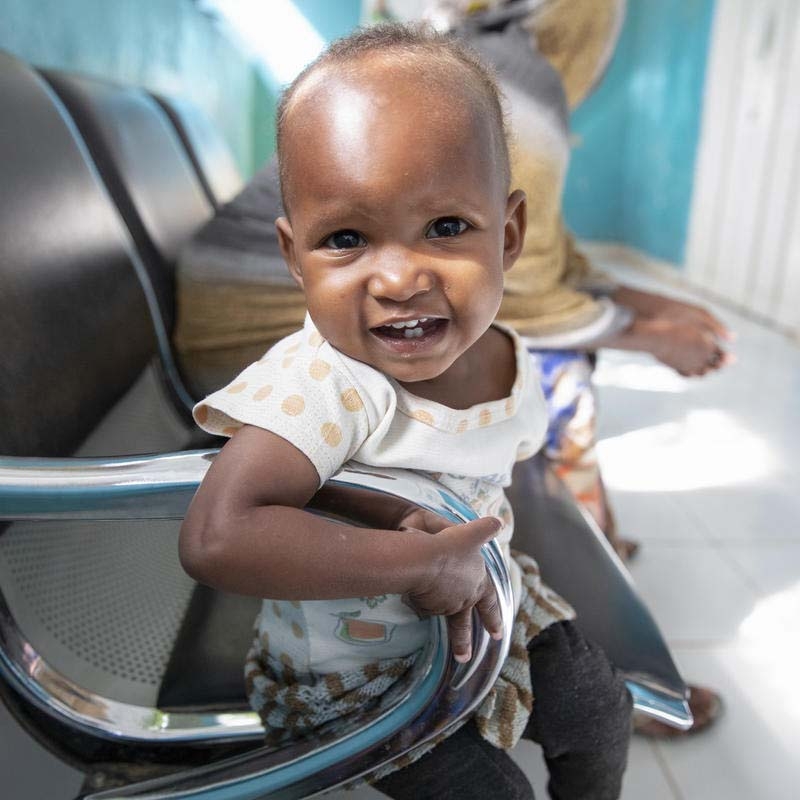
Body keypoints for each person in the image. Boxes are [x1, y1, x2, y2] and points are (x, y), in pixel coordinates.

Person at [180, 23, 632, 800]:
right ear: (295, 258)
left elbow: (490, 476)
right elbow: (218, 536)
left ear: (511, 234)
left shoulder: (508, 355)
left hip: (485, 605)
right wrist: (414, 560)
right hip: (349, 676)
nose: (397, 278)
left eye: (446, 228)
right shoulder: (326, 386)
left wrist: (460, 555)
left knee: (598, 710)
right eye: (347, 238)